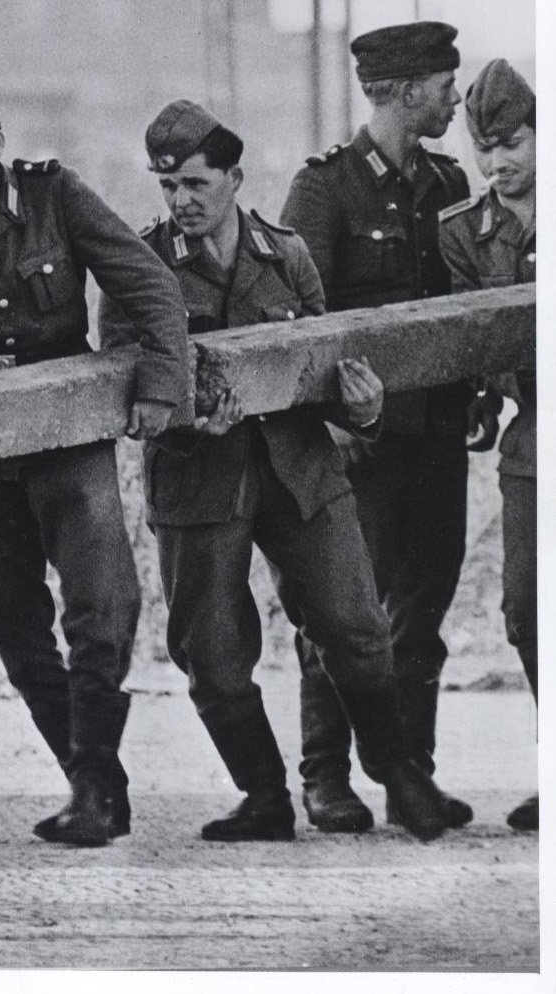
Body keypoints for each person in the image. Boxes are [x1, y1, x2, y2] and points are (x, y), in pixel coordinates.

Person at [99, 98, 454, 842]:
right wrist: (185, 422)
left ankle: (398, 774)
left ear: (234, 178)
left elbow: (324, 370)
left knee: (357, 628)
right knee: (212, 653)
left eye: (195, 183)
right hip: (198, 482)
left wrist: (362, 409)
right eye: (167, 186)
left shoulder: (285, 255)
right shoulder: (139, 270)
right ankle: (263, 795)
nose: (180, 200)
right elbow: (124, 394)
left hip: (300, 471)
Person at [0, 72, 191, 847]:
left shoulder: (57, 197)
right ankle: (94, 786)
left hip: (68, 434)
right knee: (17, 635)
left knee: (101, 612)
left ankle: (92, 787)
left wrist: (160, 385)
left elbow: (150, 286)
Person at [281, 21, 474, 834]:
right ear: (403, 91)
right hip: (358, 442)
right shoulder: (324, 189)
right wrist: (326, 426)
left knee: (419, 613)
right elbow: (298, 319)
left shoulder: (448, 181)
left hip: (437, 436)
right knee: (338, 612)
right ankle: (325, 776)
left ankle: (408, 774)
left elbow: (465, 304)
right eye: (443, 86)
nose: (454, 99)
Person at [439, 59, 537, 832]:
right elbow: (474, 337)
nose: (497, 161)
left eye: (511, 143)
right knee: (527, 610)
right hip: (532, 439)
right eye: (484, 148)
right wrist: (479, 393)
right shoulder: (463, 233)